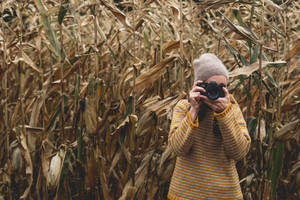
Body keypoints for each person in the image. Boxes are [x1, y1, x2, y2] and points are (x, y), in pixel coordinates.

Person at [168, 53, 251, 200]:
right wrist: (193, 111)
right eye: (212, 87)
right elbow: (177, 148)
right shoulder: (184, 108)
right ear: (199, 86)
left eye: (222, 87)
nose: (216, 93)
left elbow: (238, 152)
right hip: (186, 193)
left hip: (225, 194)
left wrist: (224, 114)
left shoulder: (232, 109)